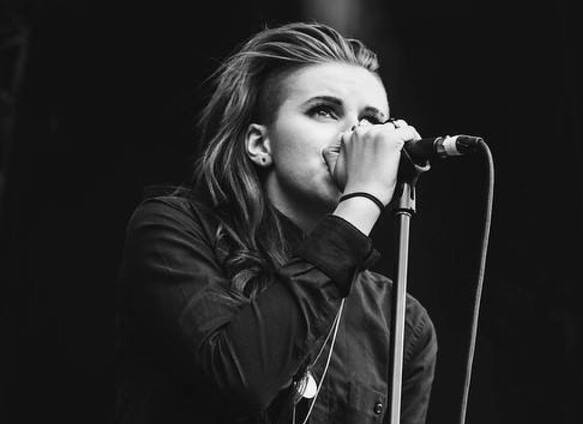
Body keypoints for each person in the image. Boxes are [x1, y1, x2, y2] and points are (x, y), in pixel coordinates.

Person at [115, 22, 438, 424]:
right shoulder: (173, 230)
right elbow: (239, 378)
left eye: (373, 120)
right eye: (324, 110)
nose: (356, 134)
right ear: (259, 144)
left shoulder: (402, 322)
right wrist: (363, 197)